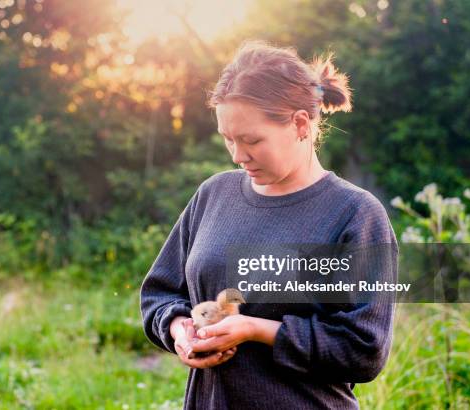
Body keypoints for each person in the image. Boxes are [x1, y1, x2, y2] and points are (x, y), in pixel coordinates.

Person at [140, 40, 398, 410]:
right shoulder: (214, 194)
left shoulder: (354, 214)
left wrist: (257, 330)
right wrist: (178, 329)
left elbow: (364, 350)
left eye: (251, 140)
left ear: (300, 124)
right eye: (228, 139)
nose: (237, 155)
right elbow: (160, 294)